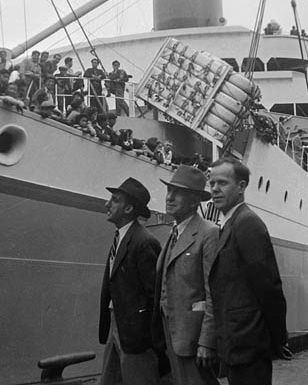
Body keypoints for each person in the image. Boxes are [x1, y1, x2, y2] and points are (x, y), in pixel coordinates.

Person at [208, 157, 290, 385]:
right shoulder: (231, 222)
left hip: (247, 340)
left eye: (222, 183)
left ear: (242, 186)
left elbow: (268, 286)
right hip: (238, 340)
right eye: (212, 183)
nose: (214, 189)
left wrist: (278, 338)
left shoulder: (247, 223)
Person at [152, 165, 220, 385]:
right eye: (169, 191)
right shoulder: (172, 233)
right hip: (172, 334)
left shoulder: (208, 233)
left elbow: (214, 294)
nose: (170, 197)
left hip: (192, 338)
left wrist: (207, 342)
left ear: (194, 201)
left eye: (177, 192)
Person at [99, 178, 161, 385]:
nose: (107, 204)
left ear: (129, 208)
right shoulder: (123, 238)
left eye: (115, 200)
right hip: (118, 328)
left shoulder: (144, 242)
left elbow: (155, 296)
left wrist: (143, 337)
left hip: (135, 336)